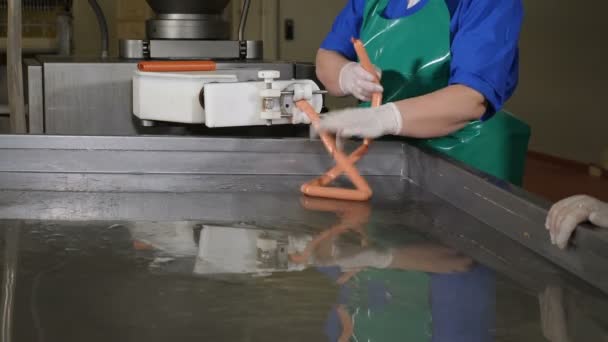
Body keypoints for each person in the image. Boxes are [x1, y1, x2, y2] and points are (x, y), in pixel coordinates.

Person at [315, 0, 530, 186]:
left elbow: (470, 99)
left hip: (463, 162)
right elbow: (327, 56)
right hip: (387, 161)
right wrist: (346, 74)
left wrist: (384, 117)